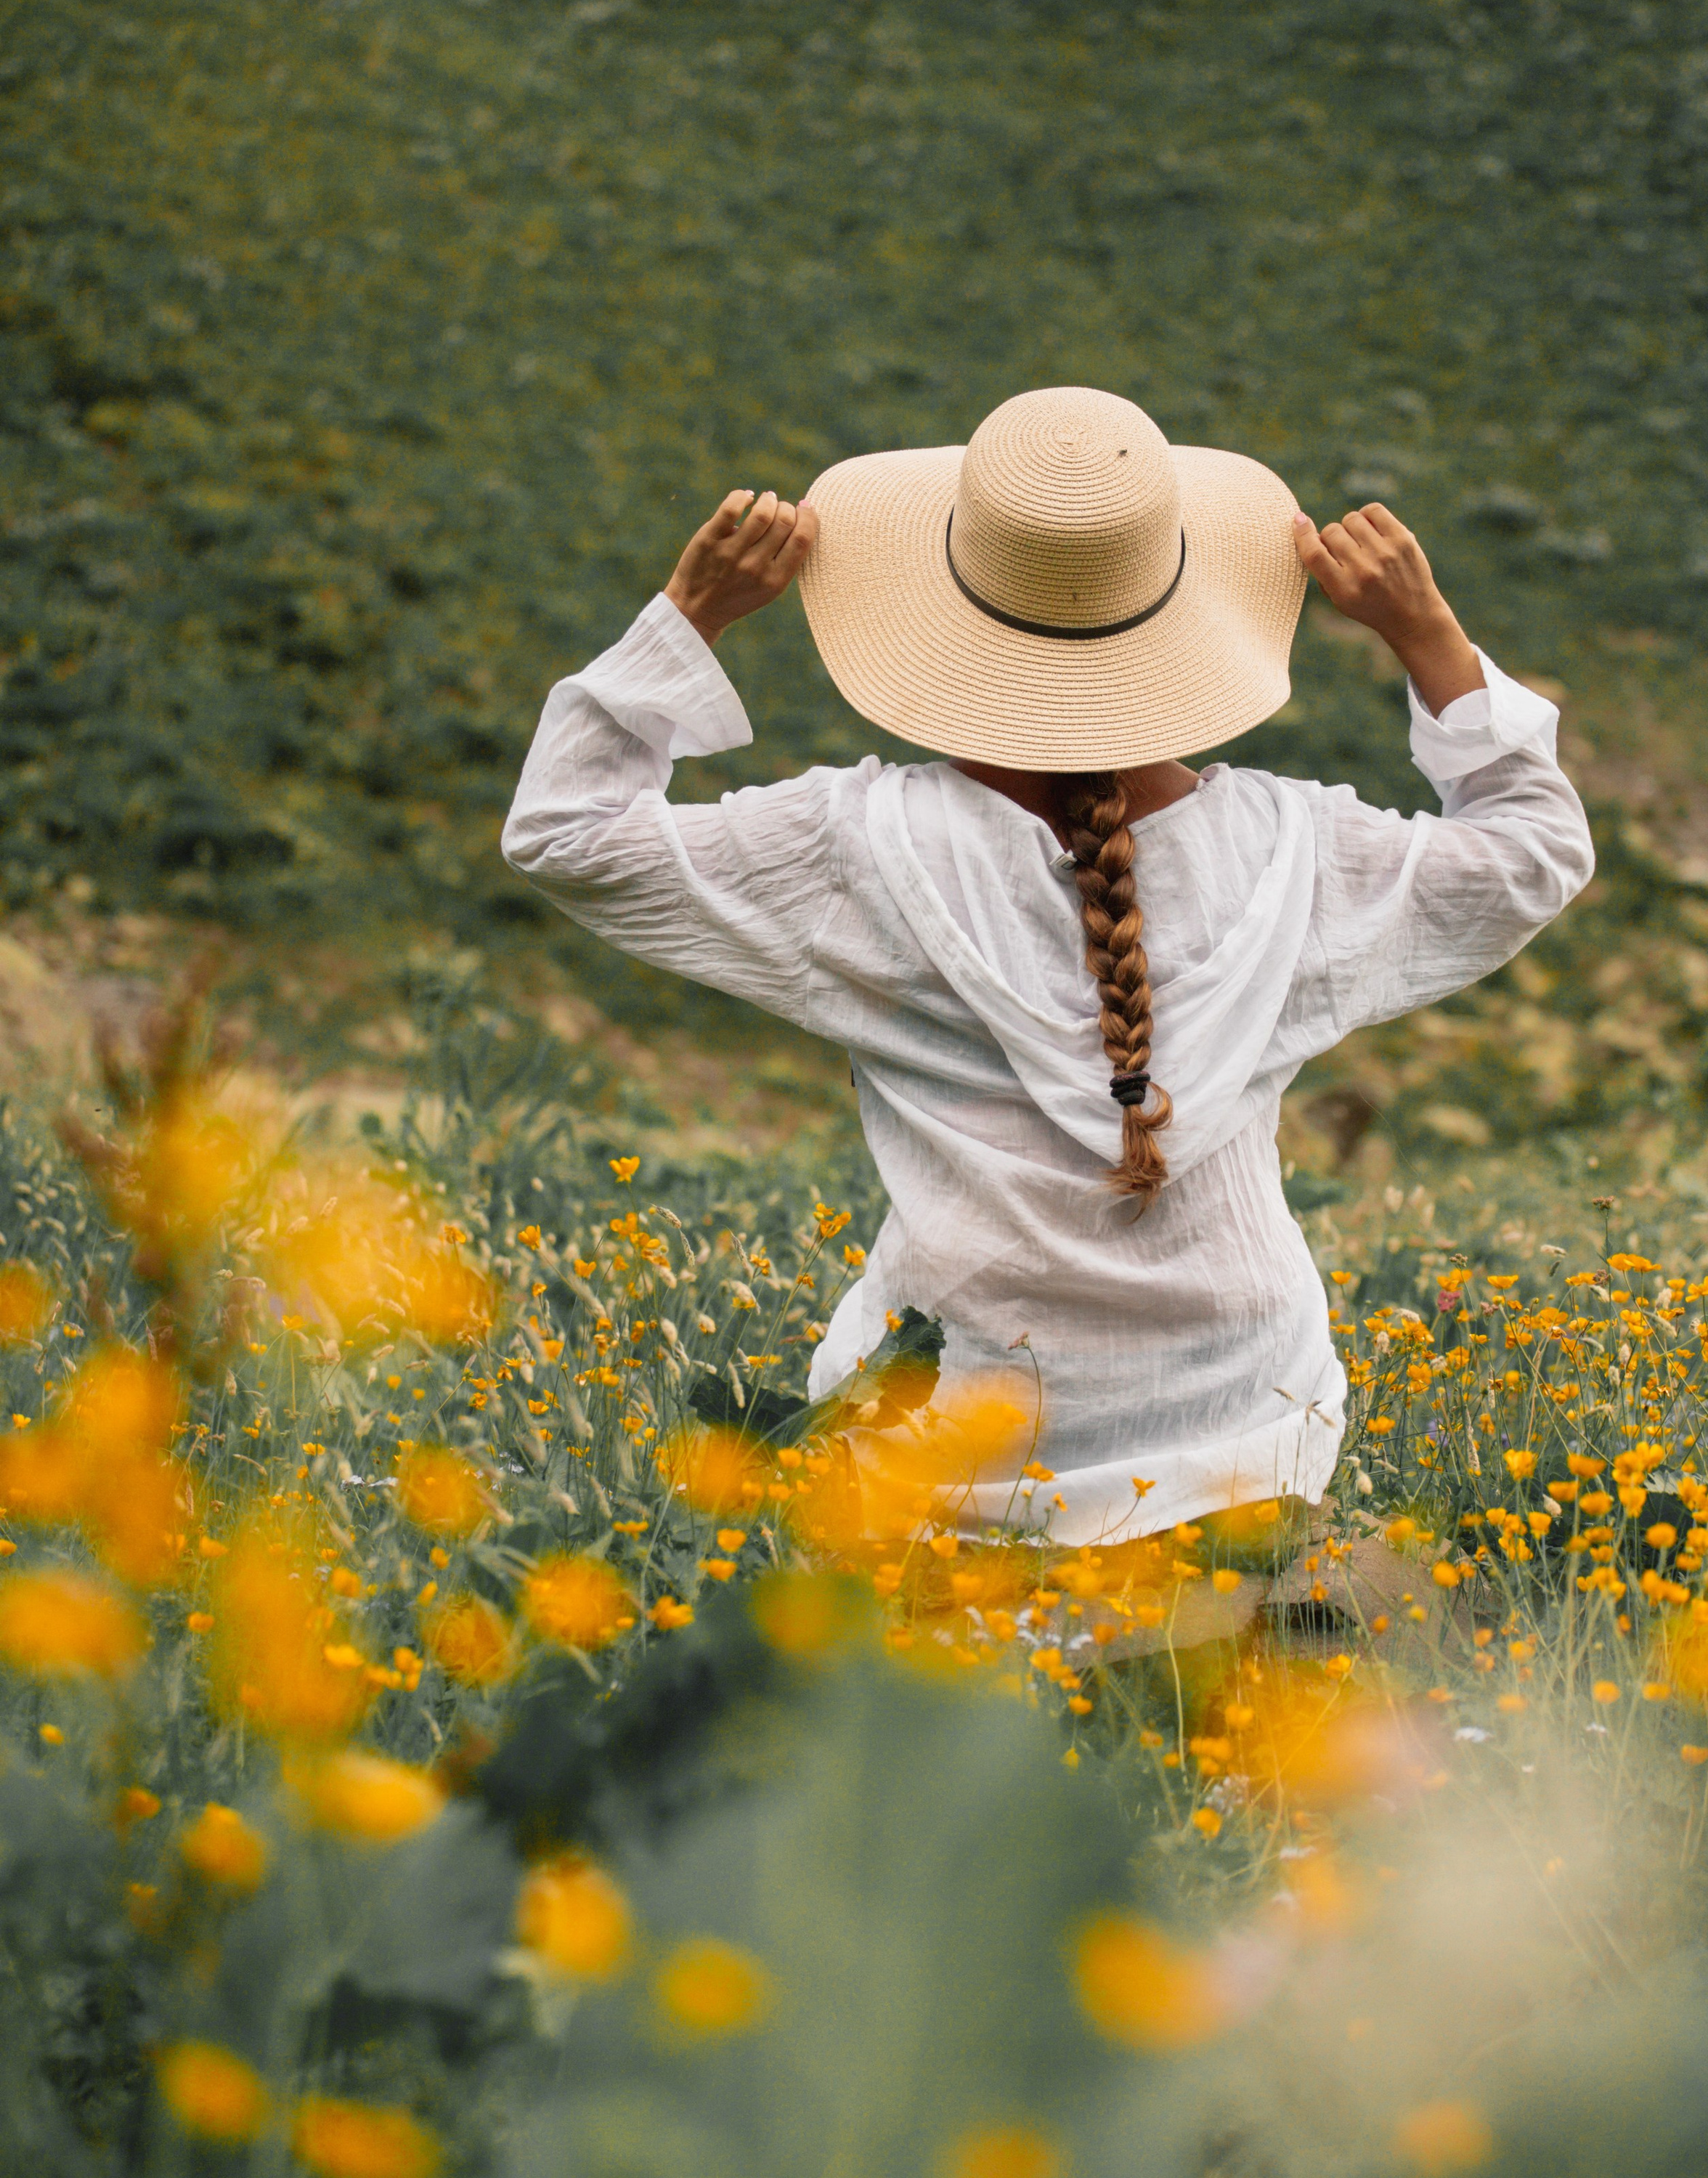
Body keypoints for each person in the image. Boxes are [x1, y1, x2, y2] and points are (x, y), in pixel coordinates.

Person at [501, 386, 1592, 1649]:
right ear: (1178, 610)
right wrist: (1428, 635)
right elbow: (1531, 853)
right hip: (1244, 1450)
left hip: (958, 1463)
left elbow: (568, 834)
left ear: (950, 617)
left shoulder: (859, 848)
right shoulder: (1296, 854)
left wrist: (690, 619)